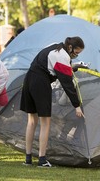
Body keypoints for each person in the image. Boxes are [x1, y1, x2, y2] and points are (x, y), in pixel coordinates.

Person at [21, 36, 85, 167]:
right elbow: (67, 84)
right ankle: (42, 160)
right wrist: (76, 105)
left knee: (32, 121)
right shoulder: (63, 56)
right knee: (45, 123)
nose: (76, 56)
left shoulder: (55, 46)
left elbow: (51, 66)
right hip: (40, 83)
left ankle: (28, 159)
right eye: (76, 53)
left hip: (29, 80)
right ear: (70, 47)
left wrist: (71, 67)